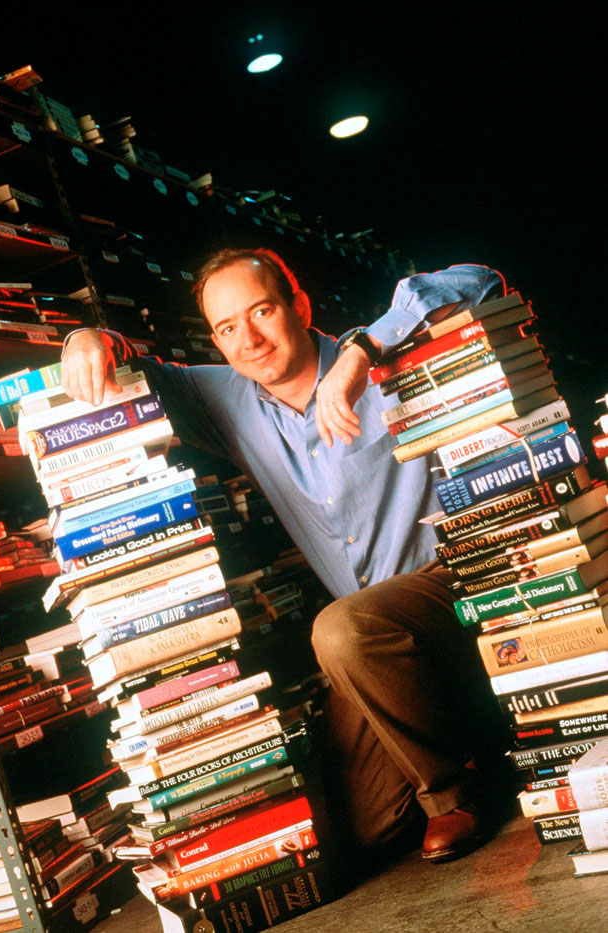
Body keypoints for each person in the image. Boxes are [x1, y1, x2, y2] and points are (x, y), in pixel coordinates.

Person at [61, 249, 506, 863]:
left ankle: (451, 797)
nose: (248, 340)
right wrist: (92, 337)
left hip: (454, 582)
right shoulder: (223, 399)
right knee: (365, 827)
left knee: (342, 629)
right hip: (375, 647)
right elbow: (134, 368)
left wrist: (361, 352)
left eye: (262, 311)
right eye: (226, 327)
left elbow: (479, 279)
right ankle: (478, 748)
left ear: (300, 307)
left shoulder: (384, 356)